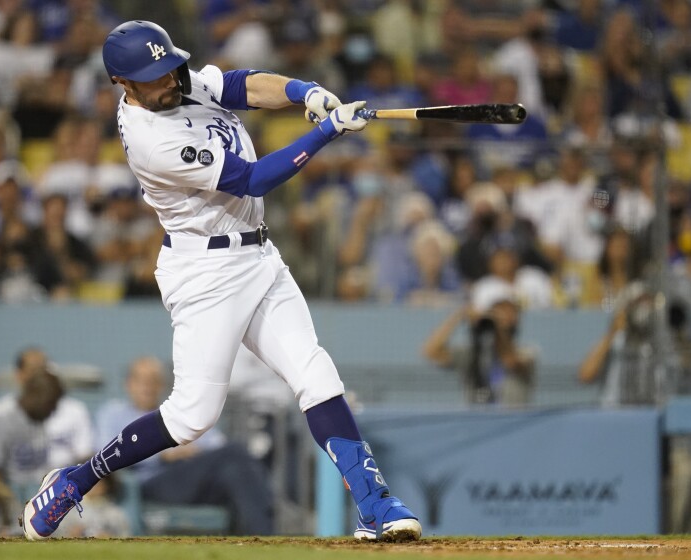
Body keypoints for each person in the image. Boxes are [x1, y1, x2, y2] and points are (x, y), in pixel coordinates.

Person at [21, 20, 421, 542]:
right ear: (123, 83)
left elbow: (245, 85)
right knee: (191, 418)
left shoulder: (176, 82)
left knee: (315, 374)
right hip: (204, 273)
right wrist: (327, 131)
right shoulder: (151, 140)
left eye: (168, 66)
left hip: (259, 255)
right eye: (153, 75)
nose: (169, 80)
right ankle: (78, 478)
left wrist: (307, 92)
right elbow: (252, 179)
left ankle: (376, 504)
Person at [96, 356, 273, 535]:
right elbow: (107, 455)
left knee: (235, 471)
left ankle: (259, 540)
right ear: (129, 384)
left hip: (192, 476)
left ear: (162, 386)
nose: (147, 387)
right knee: (236, 452)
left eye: (154, 381)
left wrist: (193, 452)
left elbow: (217, 444)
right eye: (142, 381)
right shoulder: (113, 414)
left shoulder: (175, 412)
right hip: (151, 483)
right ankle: (265, 535)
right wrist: (160, 454)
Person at [421, 283, 534, 406]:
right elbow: (431, 351)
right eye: (498, 310)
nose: (503, 316)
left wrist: (498, 329)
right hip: (477, 420)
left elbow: (510, 361)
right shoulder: (472, 352)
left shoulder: (527, 352)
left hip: (514, 421)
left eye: (509, 311)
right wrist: (460, 315)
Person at [0, 369, 77, 486]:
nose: (54, 410)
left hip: (34, 492)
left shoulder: (38, 418)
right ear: (35, 396)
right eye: (51, 403)